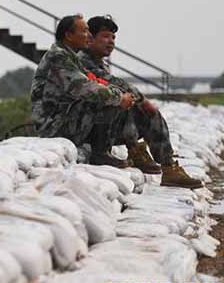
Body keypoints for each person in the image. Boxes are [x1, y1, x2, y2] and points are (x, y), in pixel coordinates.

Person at [78, 15, 202, 189]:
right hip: (82, 127)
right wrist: (142, 100)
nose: (111, 42)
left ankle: (163, 164)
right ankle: (141, 154)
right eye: (105, 36)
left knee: (142, 110)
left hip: (97, 126)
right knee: (126, 102)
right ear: (90, 38)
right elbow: (111, 84)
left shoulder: (99, 63)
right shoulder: (82, 60)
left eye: (113, 38)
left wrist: (140, 103)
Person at [30, 14, 136, 167]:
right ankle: (100, 154)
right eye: (85, 31)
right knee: (103, 99)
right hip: (52, 128)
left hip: (64, 119)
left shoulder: (71, 57)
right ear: (69, 35)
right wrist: (120, 98)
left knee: (114, 97)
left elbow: (93, 81)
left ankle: (129, 150)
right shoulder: (58, 57)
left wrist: (121, 95)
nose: (89, 35)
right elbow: (85, 88)